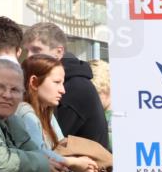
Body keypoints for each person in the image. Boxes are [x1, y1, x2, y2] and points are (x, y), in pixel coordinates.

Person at [21, 22, 109, 151]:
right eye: (26, 50)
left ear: (59, 52)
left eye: (36, 50)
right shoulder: (72, 81)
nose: (29, 55)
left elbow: (53, 145)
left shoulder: (74, 87)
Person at [16, 54, 99, 172]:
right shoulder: (25, 113)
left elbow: (61, 146)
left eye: (63, 83)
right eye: (56, 82)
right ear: (34, 82)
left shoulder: (47, 114)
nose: (63, 90)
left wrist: (82, 163)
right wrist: (75, 163)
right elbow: (39, 154)